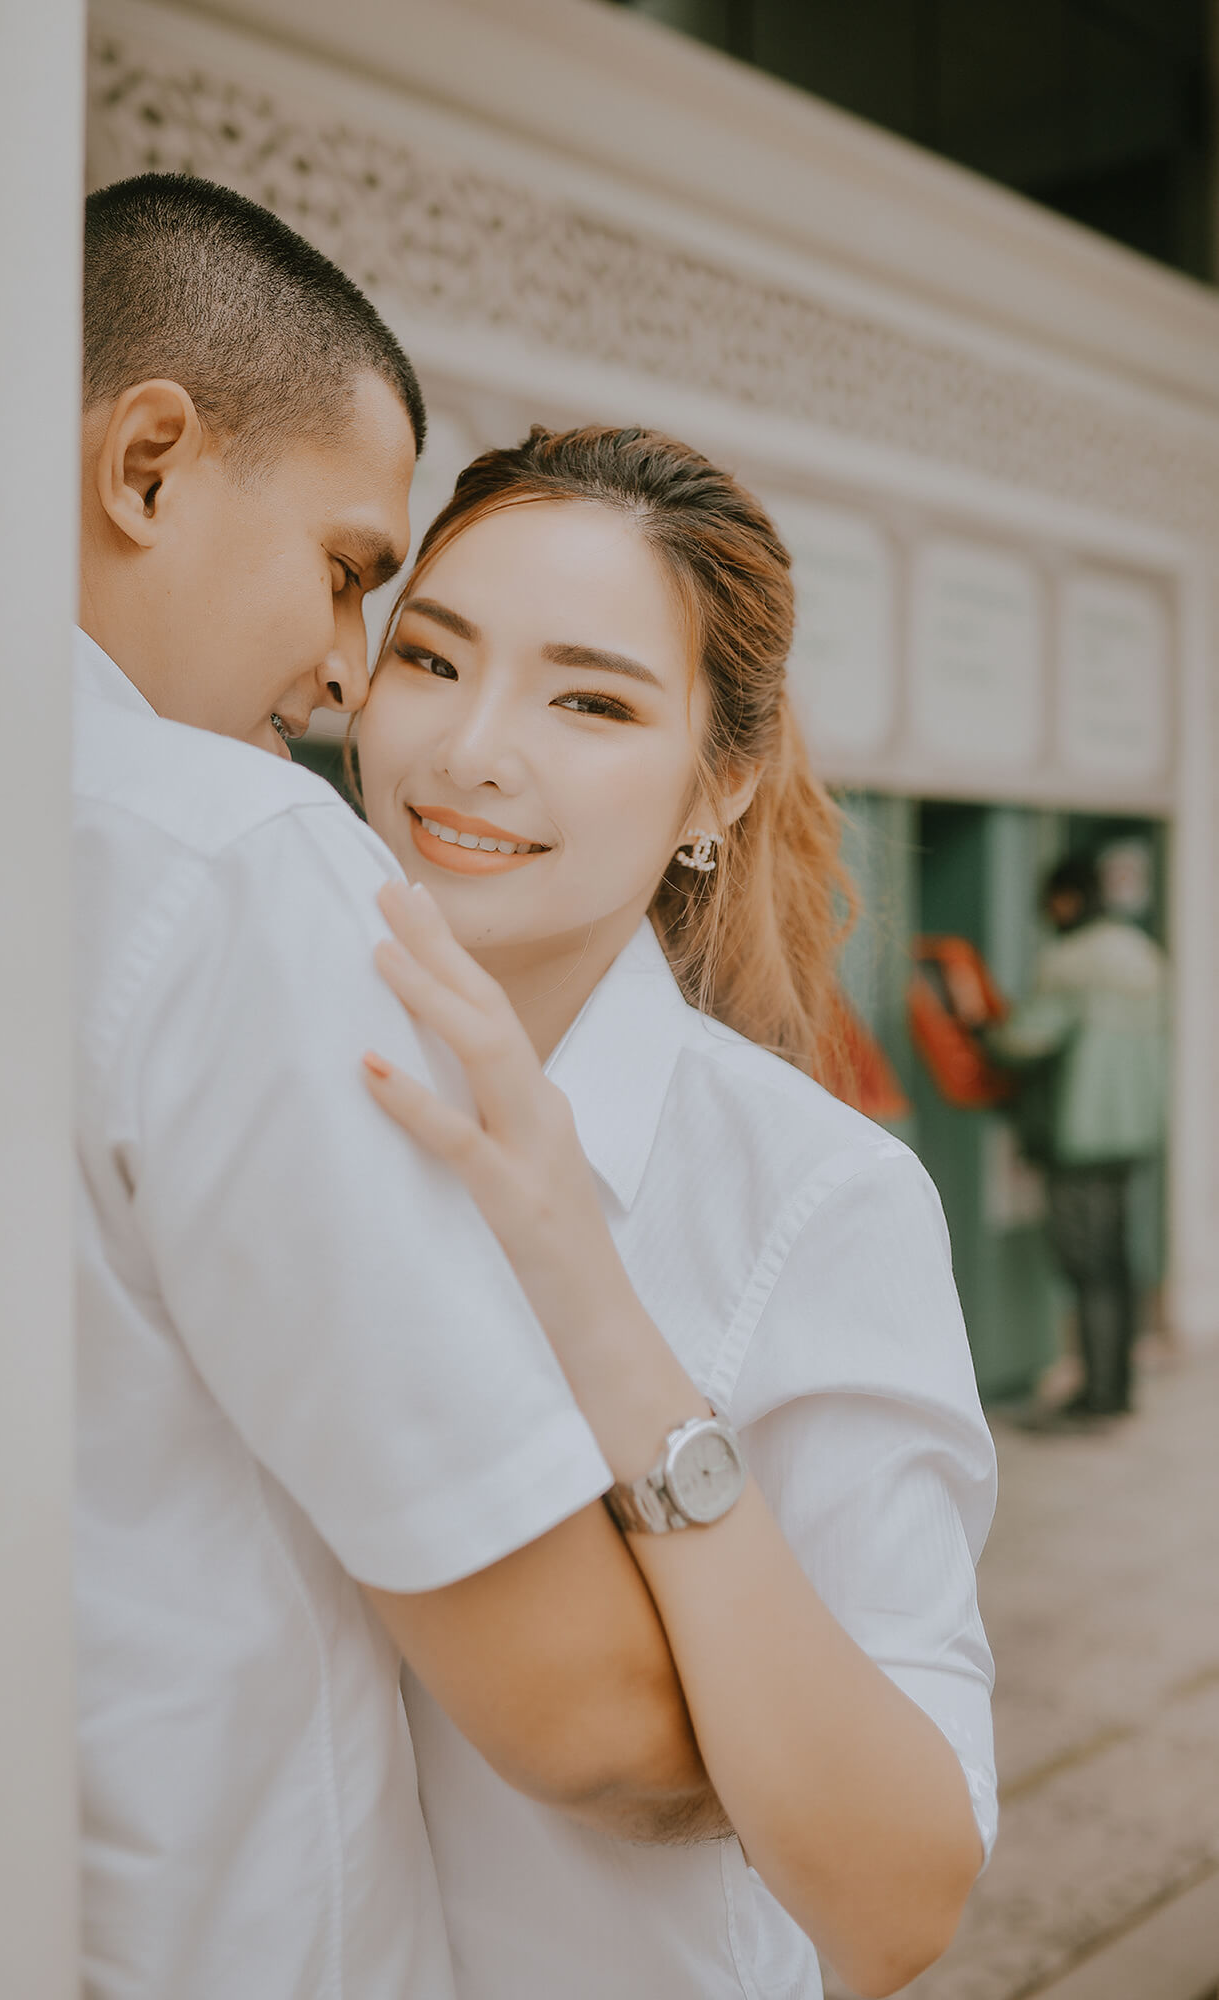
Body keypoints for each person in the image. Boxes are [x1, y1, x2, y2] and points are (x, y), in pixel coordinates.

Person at [74, 176, 724, 2000]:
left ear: (713, 787)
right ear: (147, 465)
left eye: (592, 703)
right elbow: (591, 1716)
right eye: (362, 582)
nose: (349, 679)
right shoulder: (224, 852)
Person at [351, 426, 999, 1999]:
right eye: (429, 661)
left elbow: (899, 1899)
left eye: (591, 700)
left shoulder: (816, 1197)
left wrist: (593, 1305)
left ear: (716, 781)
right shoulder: (245, 1063)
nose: (471, 751)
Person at [987, 854, 1168, 1423]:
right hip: (1132, 1132)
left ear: (1064, 900)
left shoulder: (1069, 960)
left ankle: (1095, 1398)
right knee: (1117, 1260)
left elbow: (1025, 1039)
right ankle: (1119, 1389)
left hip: (1079, 1134)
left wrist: (981, 1033)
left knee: (1085, 1265)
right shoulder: (1141, 951)